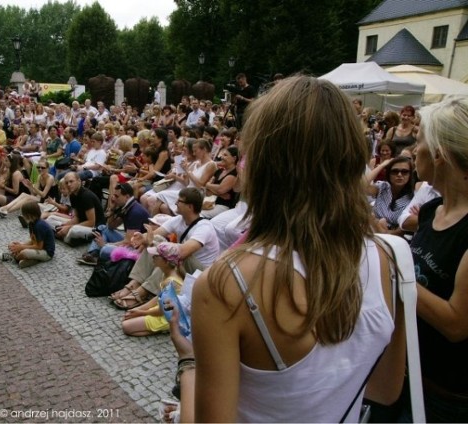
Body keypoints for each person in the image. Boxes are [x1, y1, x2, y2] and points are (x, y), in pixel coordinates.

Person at [169, 76, 406, 422]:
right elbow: (384, 388)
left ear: (266, 164)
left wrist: (188, 363)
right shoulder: (389, 256)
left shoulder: (229, 283)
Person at [408, 97, 468, 422]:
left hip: (451, 398)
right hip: (416, 375)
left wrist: (397, 270)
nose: (411, 151)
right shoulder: (432, 210)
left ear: (440, 156)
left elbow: (456, 323)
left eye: (418, 142)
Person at [112, 187, 220, 309]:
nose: (175, 203)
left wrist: (162, 247)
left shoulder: (204, 227)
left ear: (190, 207)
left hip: (200, 273)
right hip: (186, 265)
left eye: (179, 201)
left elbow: (183, 252)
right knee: (157, 241)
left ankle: (144, 291)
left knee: (171, 254)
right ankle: (134, 283)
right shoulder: (179, 220)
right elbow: (156, 234)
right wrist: (142, 237)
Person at [78, 182, 150, 265]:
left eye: (117, 196)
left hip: (137, 249)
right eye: (114, 195)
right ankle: (92, 253)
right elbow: (111, 226)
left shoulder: (135, 212)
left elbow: (129, 242)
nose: (113, 198)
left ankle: (97, 258)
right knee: (103, 228)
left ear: (126, 197)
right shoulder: (128, 206)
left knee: (105, 250)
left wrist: (105, 244)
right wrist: (112, 209)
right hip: (131, 243)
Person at [121, 242, 184, 337]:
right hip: (162, 309)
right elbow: (159, 297)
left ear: (166, 262)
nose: (152, 258)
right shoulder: (166, 273)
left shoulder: (171, 281)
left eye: (156, 256)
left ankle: (168, 328)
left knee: (126, 326)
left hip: (167, 316)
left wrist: (141, 312)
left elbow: (163, 311)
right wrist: (138, 309)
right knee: (127, 318)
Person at [45, 172, 105, 245]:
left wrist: (69, 227)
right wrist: (64, 225)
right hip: (81, 222)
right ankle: (63, 234)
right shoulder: (72, 195)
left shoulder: (86, 196)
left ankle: (65, 236)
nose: (69, 184)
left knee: (73, 231)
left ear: (79, 181)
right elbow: (77, 217)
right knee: (50, 218)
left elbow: (91, 222)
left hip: (94, 227)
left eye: (71, 181)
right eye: (67, 183)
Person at [0, 201, 55, 269]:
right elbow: (33, 240)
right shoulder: (31, 223)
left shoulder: (39, 226)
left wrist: (22, 247)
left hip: (46, 252)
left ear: (29, 215)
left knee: (24, 252)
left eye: (23, 214)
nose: (22, 215)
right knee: (12, 245)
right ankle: (30, 259)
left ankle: (13, 257)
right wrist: (19, 245)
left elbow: (39, 247)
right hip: (38, 246)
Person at [366, 156, 415, 234]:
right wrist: (382, 165)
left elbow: (400, 232)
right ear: (389, 174)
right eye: (395, 171)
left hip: (395, 240)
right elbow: (361, 187)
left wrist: (380, 229)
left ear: (410, 175)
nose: (399, 175)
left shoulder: (414, 196)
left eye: (404, 172)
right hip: (373, 233)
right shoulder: (382, 187)